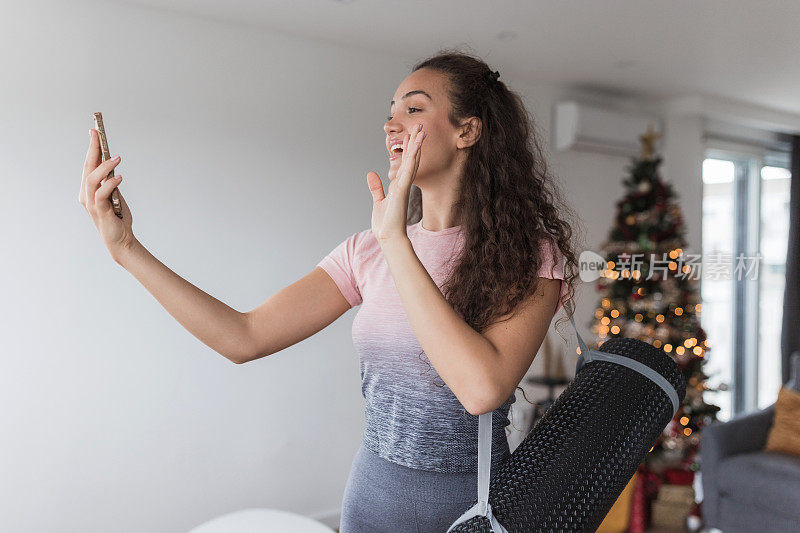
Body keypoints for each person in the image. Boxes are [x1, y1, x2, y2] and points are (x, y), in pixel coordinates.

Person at [79, 49, 581, 532]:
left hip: (470, 512)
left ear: (467, 130)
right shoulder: (364, 252)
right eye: (390, 113)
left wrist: (395, 240)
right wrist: (127, 249)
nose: (391, 125)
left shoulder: (528, 256)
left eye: (414, 109)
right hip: (369, 500)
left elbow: (482, 390)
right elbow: (244, 336)